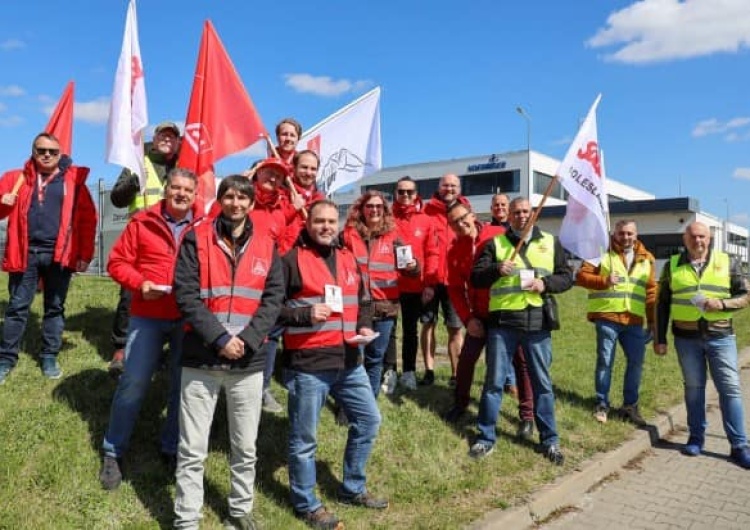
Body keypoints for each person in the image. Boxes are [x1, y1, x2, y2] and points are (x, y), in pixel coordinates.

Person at [172, 175, 284, 529]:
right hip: (201, 357)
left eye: (243, 198)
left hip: (249, 362)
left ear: (252, 204)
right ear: (220, 200)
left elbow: (273, 300)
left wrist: (247, 341)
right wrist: (220, 339)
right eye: (229, 197)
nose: (236, 203)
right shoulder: (196, 238)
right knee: (191, 449)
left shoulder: (267, 244)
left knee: (245, 447)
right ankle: (187, 518)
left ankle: (240, 509)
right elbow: (185, 294)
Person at [280, 199, 387, 529]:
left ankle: (352, 487)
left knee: (369, 421)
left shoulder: (346, 257)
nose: (326, 226)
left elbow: (364, 299)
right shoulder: (291, 260)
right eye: (319, 221)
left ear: (339, 224)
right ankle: (306, 503)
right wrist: (304, 314)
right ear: (308, 223)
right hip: (309, 364)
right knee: (305, 440)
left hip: (349, 361)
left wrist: (365, 326)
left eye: (331, 221)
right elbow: (271, 308)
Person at [98, 168, 201, 490]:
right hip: (147, 314)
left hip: (187, 318)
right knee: (134, 381)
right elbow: (116, 263)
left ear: (195, 194)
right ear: (166, 190)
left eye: (188, 189)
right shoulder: (142, 221)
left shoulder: (206, 226)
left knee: (181, 388)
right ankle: (113, 450)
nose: (181, 193)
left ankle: (171, 448)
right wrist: (139, 284)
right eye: (176, 188)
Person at [470, 197, 572, 464]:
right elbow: (476, 277)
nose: (521, 216)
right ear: (509, 217)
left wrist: (546, 283)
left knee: (543, 384)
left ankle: (550, 440)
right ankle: (485, 438)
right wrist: (495, 269)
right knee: (493, 383)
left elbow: (567, 277)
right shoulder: (495, 244)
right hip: (503, 325)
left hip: (537, 324)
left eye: (526, 212)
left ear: (534, 215)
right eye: (516, 212)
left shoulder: (551, 242)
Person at [0, 132, 97, 384]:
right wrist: (3, 203)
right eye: (41, 150)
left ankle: (49, 356)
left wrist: (85, 254)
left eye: (53, 152)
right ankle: (6, 358)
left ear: (60, 153)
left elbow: (88, 220)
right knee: (17, 308)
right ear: (33, 151)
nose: (47, 155)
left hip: (59, 255)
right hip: (25, 254)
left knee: (54, 307)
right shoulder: (14, 178)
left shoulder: (74, 181)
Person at [655, 221, 750, 468]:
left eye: (702, 237)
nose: (698, 241)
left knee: (730, 390)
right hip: (686, 339)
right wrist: (660, 338)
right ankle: (696, 438)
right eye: (693, 237)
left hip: (721, 337)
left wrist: (723, 304)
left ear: (710, 239)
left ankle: (739, 445)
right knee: (694, 389)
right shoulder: (672, 265)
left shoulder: (727, 261)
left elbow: (745, 296)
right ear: (685, 240)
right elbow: (662, 304)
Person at [442, 202, 536, 439]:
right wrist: (468, 319)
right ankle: (461, 404)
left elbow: (525, 257)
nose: (460, 224)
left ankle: (527, 416)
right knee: (466, 360)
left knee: (521, 362)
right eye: (453, 222)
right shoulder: (454, 250)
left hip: (506, 312)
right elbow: (455, 289)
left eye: (463, 218)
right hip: (479, 316)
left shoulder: (497, 234)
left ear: (472, 215)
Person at [108, 121, 182, 376]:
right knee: (130, 294)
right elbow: (117, 198)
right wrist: (133, 181)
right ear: (155, 137)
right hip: (141, 238)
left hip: (173, 239)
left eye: (173, 137)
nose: (167, 140)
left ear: (178, 142)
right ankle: (121, 349)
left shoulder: (183, 165)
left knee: (170, 293)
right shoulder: (138, 161)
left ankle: (159, 349)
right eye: (163, 135)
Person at [260, 150, 324, 414]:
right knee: (273, 326)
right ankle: (262, 387)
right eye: (304, 167)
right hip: (282, 264)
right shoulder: (282, 193)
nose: (308, 172)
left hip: (308, 266)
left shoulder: (320, 198)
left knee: (302, 321)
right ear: (294, 168)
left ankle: (294, 374)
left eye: (313, 168)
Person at [576, 219, 656, 425]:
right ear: (615, 234)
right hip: (607, 317)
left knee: (636, 363)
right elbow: (581, 276)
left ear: (636, 234)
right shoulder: (600, 251)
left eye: (629, 233)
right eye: (621, 233)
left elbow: (651, 293)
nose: (626, 237)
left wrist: (653, 321)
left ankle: (630, 406)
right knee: (605, 362)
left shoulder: (647, 259)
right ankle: (602, 404)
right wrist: (604, 281)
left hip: (634, 320)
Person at [342, 190, 417, 397]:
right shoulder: (348, 236)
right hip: (355, 307)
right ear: (361, 210)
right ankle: (349, 403)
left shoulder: (394, 238)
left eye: (379, 206)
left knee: (375, 357)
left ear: (384, 210)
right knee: (355, 357)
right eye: (370, 206)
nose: (374, 210)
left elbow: (412, 269)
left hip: (385, 307)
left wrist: (413, 266)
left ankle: (369, 400)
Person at [421, 173, 470, 386]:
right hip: (430, 279)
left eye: (453, 185)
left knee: (455, 327)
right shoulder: (426, 211)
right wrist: (425, 282)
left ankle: (455, 373)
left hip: (454, 280)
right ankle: (429, 370)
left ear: (459, 188)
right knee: (428, 324)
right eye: (445, 185)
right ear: (438, 187)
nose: (449, 189)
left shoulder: (466, 211)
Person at [392, 176, 438, 391]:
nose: (406, 196)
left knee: (410, 330)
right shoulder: (386, 218)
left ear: (416, 194)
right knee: (388, 331)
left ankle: (409, 372)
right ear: (396, 193)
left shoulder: (426, 220)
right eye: (401, 191)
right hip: (388, 285)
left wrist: (429, 283)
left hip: (415, 285)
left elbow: (432, 253)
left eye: (410, 192)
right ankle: (389, 371)